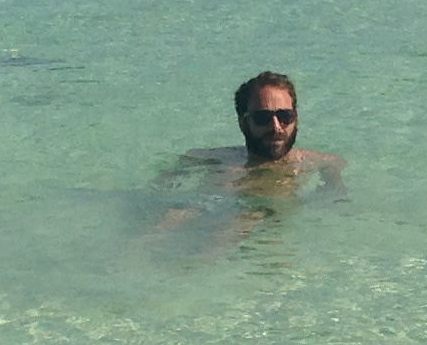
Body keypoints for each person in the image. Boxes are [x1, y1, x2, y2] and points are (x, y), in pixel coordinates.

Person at [147, 70, 344, 254]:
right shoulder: (215, 159)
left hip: (253, 219)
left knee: (244, 221)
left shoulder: (320, 162)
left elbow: (336, 194)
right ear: (243, 122)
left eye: (285, 116)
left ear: (296, 118)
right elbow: (168, 178)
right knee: (167, 220)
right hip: (204, 208)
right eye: (262, 118)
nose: (276, 127)